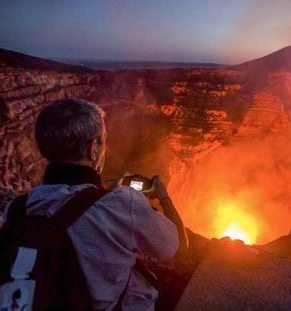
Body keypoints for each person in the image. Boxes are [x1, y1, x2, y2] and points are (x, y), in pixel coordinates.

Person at [18, 98, 188, 310]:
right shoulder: (122, 204)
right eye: (102, 141)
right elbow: (178, 248)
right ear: (93, 148)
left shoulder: (18, 208)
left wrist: (102, 194)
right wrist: (163, 197)